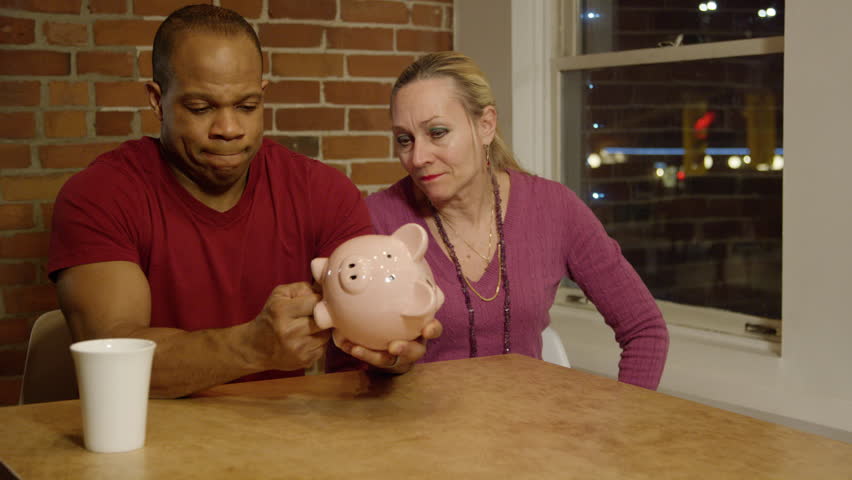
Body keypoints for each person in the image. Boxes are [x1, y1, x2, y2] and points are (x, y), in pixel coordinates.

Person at [47, 5, 440, 399]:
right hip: (144, 437)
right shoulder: (99, 196)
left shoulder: (322, 191)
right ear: (156, 99)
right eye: (201, 108)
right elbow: (113, 360)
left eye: (247, 107)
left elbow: (369, 337)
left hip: (278, 438)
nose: (229, 129)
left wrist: (392, 351)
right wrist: (253, 347)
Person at [366, 52, 669, 390]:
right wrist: (390, 364)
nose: (418, 157)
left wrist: (625, 428)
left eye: (437, 132)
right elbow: (348, 367)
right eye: (405, 139)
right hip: (420, 435)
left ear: (486, 125)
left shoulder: (554, 208)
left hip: (530, 433)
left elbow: (645, 329)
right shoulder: (377, 222)